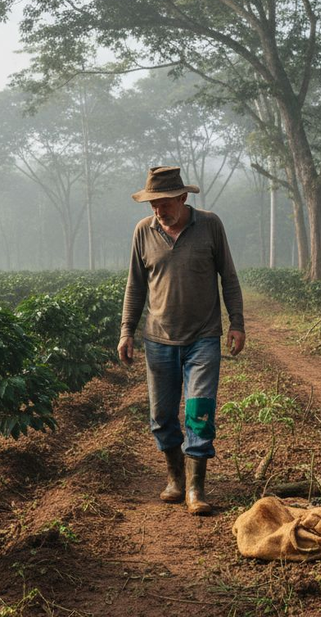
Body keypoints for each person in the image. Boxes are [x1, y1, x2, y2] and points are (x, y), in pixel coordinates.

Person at [117, 166, 245, 515]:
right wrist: (126, 330)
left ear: (183, 198)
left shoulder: (210, 225)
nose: (158, 209)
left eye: (163, 202)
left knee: (198, 411)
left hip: (203, 337)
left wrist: (237, 322)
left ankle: (195, 488)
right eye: (152, 203)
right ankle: (174, 476)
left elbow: (228, 278)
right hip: (158, 340)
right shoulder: (143, 232)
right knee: (161, 416)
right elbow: (135, 286)